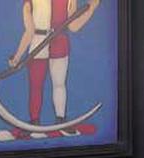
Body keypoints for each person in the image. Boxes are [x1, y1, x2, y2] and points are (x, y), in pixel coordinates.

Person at [8, 0, 101, 136]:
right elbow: (29, 31)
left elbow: (73, 26)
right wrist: (17, 56)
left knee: (59, 84)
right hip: (38, 44)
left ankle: (60, 120)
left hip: (59, 43)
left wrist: (91, 9)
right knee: (36, 86)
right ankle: (34, 122)